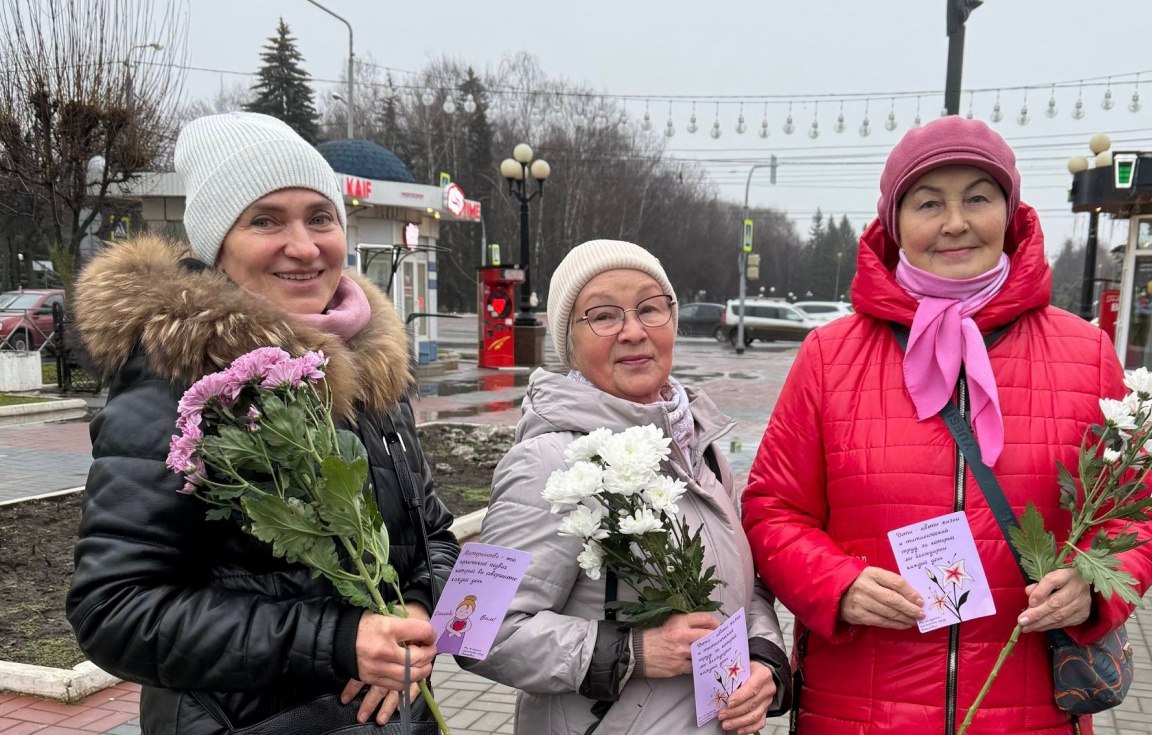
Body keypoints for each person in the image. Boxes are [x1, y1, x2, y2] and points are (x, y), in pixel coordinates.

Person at [741, 117, 1152, 734]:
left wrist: (1094, 587)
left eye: (977, 198)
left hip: (1028, 713)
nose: (955, 223)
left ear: (1010, 213)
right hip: (858, 709)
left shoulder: (1087, 353)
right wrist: (837, 585)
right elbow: (772, 509)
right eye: (928, 203)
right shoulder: (830, 356)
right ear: (895, 223)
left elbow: (1137, 511)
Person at [65, 112, 460, 734]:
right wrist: (337, 640)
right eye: (265, 220)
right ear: (217, 247)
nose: (303, 246)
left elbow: (433, 535)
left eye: (320, 217)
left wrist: (408, 613)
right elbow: (115, 609)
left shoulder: (371, 367)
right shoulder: (181, 385)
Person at [464, 239, 792, 734]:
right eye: (603, 315)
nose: (634, 331)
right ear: (568, 342)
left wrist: (763, 659)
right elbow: (473, 630)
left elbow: (742, 591)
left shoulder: (698, 447)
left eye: (649, 308)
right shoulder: (546, 462)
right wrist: (630, 651)